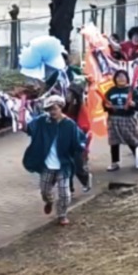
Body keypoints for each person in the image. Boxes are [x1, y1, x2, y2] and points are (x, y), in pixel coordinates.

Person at [22, 95, 86, 226]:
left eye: (54, 108)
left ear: (61, 108)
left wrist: (82, 148)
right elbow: (28, 128)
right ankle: (49, 201)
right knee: (45, 190)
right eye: (49, 109)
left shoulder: (70, 124)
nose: (52, 112)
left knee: (65, 193)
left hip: (64, 165)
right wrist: (21, 117)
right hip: (47, 165)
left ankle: (62, 214)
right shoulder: (42, 121)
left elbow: (79, 141)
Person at [104, 70, 138, 171]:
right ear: (115, 79)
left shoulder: (132, 91)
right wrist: (107, 106)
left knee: (132, 140)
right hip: (114, 119)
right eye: (118, 77)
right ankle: (115, 162)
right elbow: (105, 103)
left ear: (127, 78)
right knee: (114, 142)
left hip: (128, 119)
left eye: (123, 76)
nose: (121, 79)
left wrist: (133, 104)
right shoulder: (111, 91)